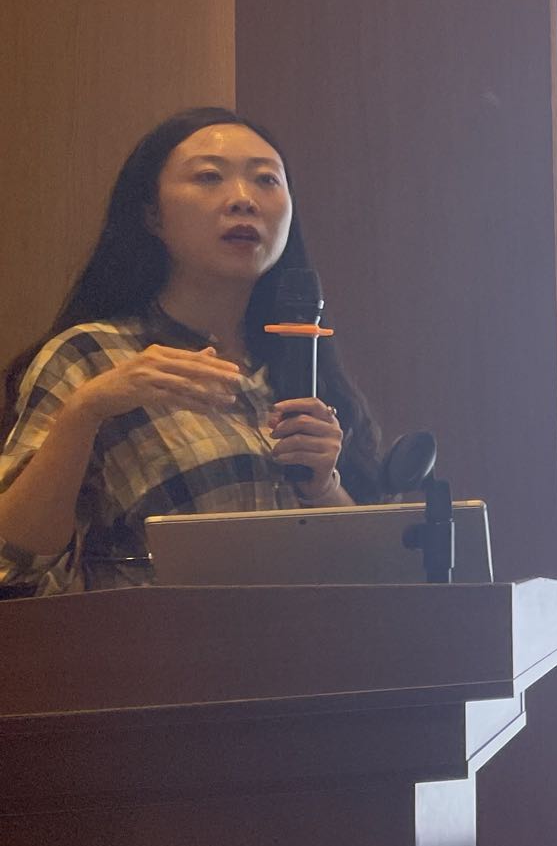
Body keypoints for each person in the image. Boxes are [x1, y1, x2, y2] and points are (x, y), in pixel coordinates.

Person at [0, 107, 380, 594]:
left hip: (303, 642)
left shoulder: (301, 364)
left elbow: (371, 581)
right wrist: (86, 411)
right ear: (152, 215)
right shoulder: (92, 355)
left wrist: (324, 486)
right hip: (150, 641)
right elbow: (13, 562)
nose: (243, 200)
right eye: (209, 177)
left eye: (266, 179)